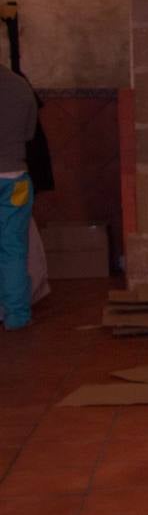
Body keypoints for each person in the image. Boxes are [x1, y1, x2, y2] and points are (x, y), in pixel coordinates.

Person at [0, 64, 38, 330]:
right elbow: (29, 133)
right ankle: (16, 316)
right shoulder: (20, 85)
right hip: (14, 177)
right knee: (13, 247)